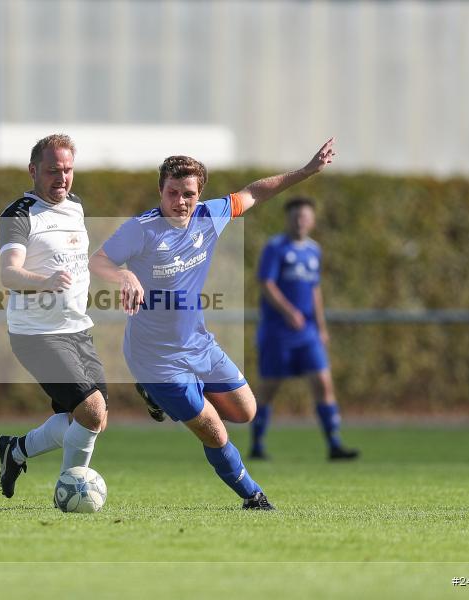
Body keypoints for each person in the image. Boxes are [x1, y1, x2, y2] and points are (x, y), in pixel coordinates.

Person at [90, 138, 337, 510]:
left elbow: (253, 193)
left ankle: (162, 398)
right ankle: (253, 496)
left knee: (245, 412)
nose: (180, 201)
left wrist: (305, 172)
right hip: (155, 359)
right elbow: (98, 261)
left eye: (188, 193)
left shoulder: (209, 216)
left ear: (199, 194)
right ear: (160, 191)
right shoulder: (140, 229)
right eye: (172, 193)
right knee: (213, 428)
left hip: (199, 344)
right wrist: (124, 275)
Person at [0, 134, 108, 499]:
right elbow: (8, 273)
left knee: (89, 420)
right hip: (36, 334)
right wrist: (44, 282)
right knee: (91, 410)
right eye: (52, 171)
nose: (62, 178)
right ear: (33, 170)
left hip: (78, 329)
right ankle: (71, 493)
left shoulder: (75, 206)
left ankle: (16, 450)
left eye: (68, 170)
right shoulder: (18, 215)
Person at [250, 197, 359, 461]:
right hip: (277, 332)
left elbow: (314, 290)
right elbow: (266, 283)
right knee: (269, 388)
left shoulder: (314, 250)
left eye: (305, 217)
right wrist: (289, 311)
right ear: (287, 219)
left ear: (312, 221)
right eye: (296, 216)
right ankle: (257, 445)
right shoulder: (275, 247)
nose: (300, 221)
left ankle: (334, 444)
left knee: (323, 383)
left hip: (308, 333)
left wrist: (321, 327)